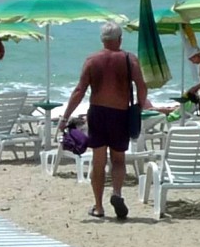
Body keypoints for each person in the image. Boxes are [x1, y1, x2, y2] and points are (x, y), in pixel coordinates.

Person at [58, 25, 150, 220]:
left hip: (98, 114)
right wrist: (140, 107)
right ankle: (116, 193)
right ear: (120, 39)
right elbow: (142, 86)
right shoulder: (129, 59)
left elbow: (79, 91)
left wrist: (65, 117)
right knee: (118, 160)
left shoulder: (92, 60)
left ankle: (99, 207)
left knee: (98, 162)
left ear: (102, 40)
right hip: (120, 114)